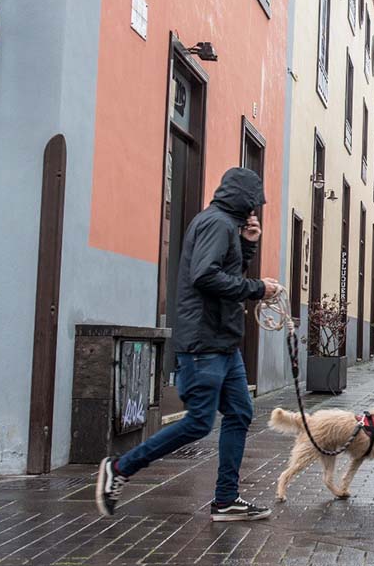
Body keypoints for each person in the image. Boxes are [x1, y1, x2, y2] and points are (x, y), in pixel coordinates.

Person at [96, 167, 278, 522]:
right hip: (203, 344)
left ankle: (225, 500)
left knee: (240, 413)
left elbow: (225, 271)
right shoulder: (217, 224)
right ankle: (119, 467)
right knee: (198, 423)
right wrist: (258, 289)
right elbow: (205, 276)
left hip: (223, 344)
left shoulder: (227, 226)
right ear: (245, 199)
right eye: (255, 204)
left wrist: (248, 245)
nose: (256, 210)